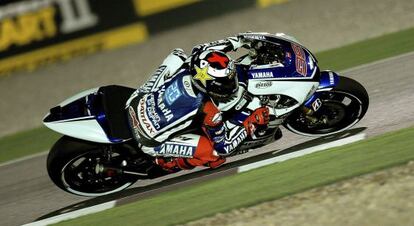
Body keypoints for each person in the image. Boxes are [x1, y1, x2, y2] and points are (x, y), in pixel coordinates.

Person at [126, 35, 270, 173]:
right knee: (214, 155)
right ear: (208, 84)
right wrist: (250, 122)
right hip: (147, 139)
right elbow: (224, 147)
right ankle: (165, 162)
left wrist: (237, 42)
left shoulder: (193, 61)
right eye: (223, 84)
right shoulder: (209, 110)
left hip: (135, 102)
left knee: (177, 56)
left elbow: (204, 49)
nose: (230, 86)